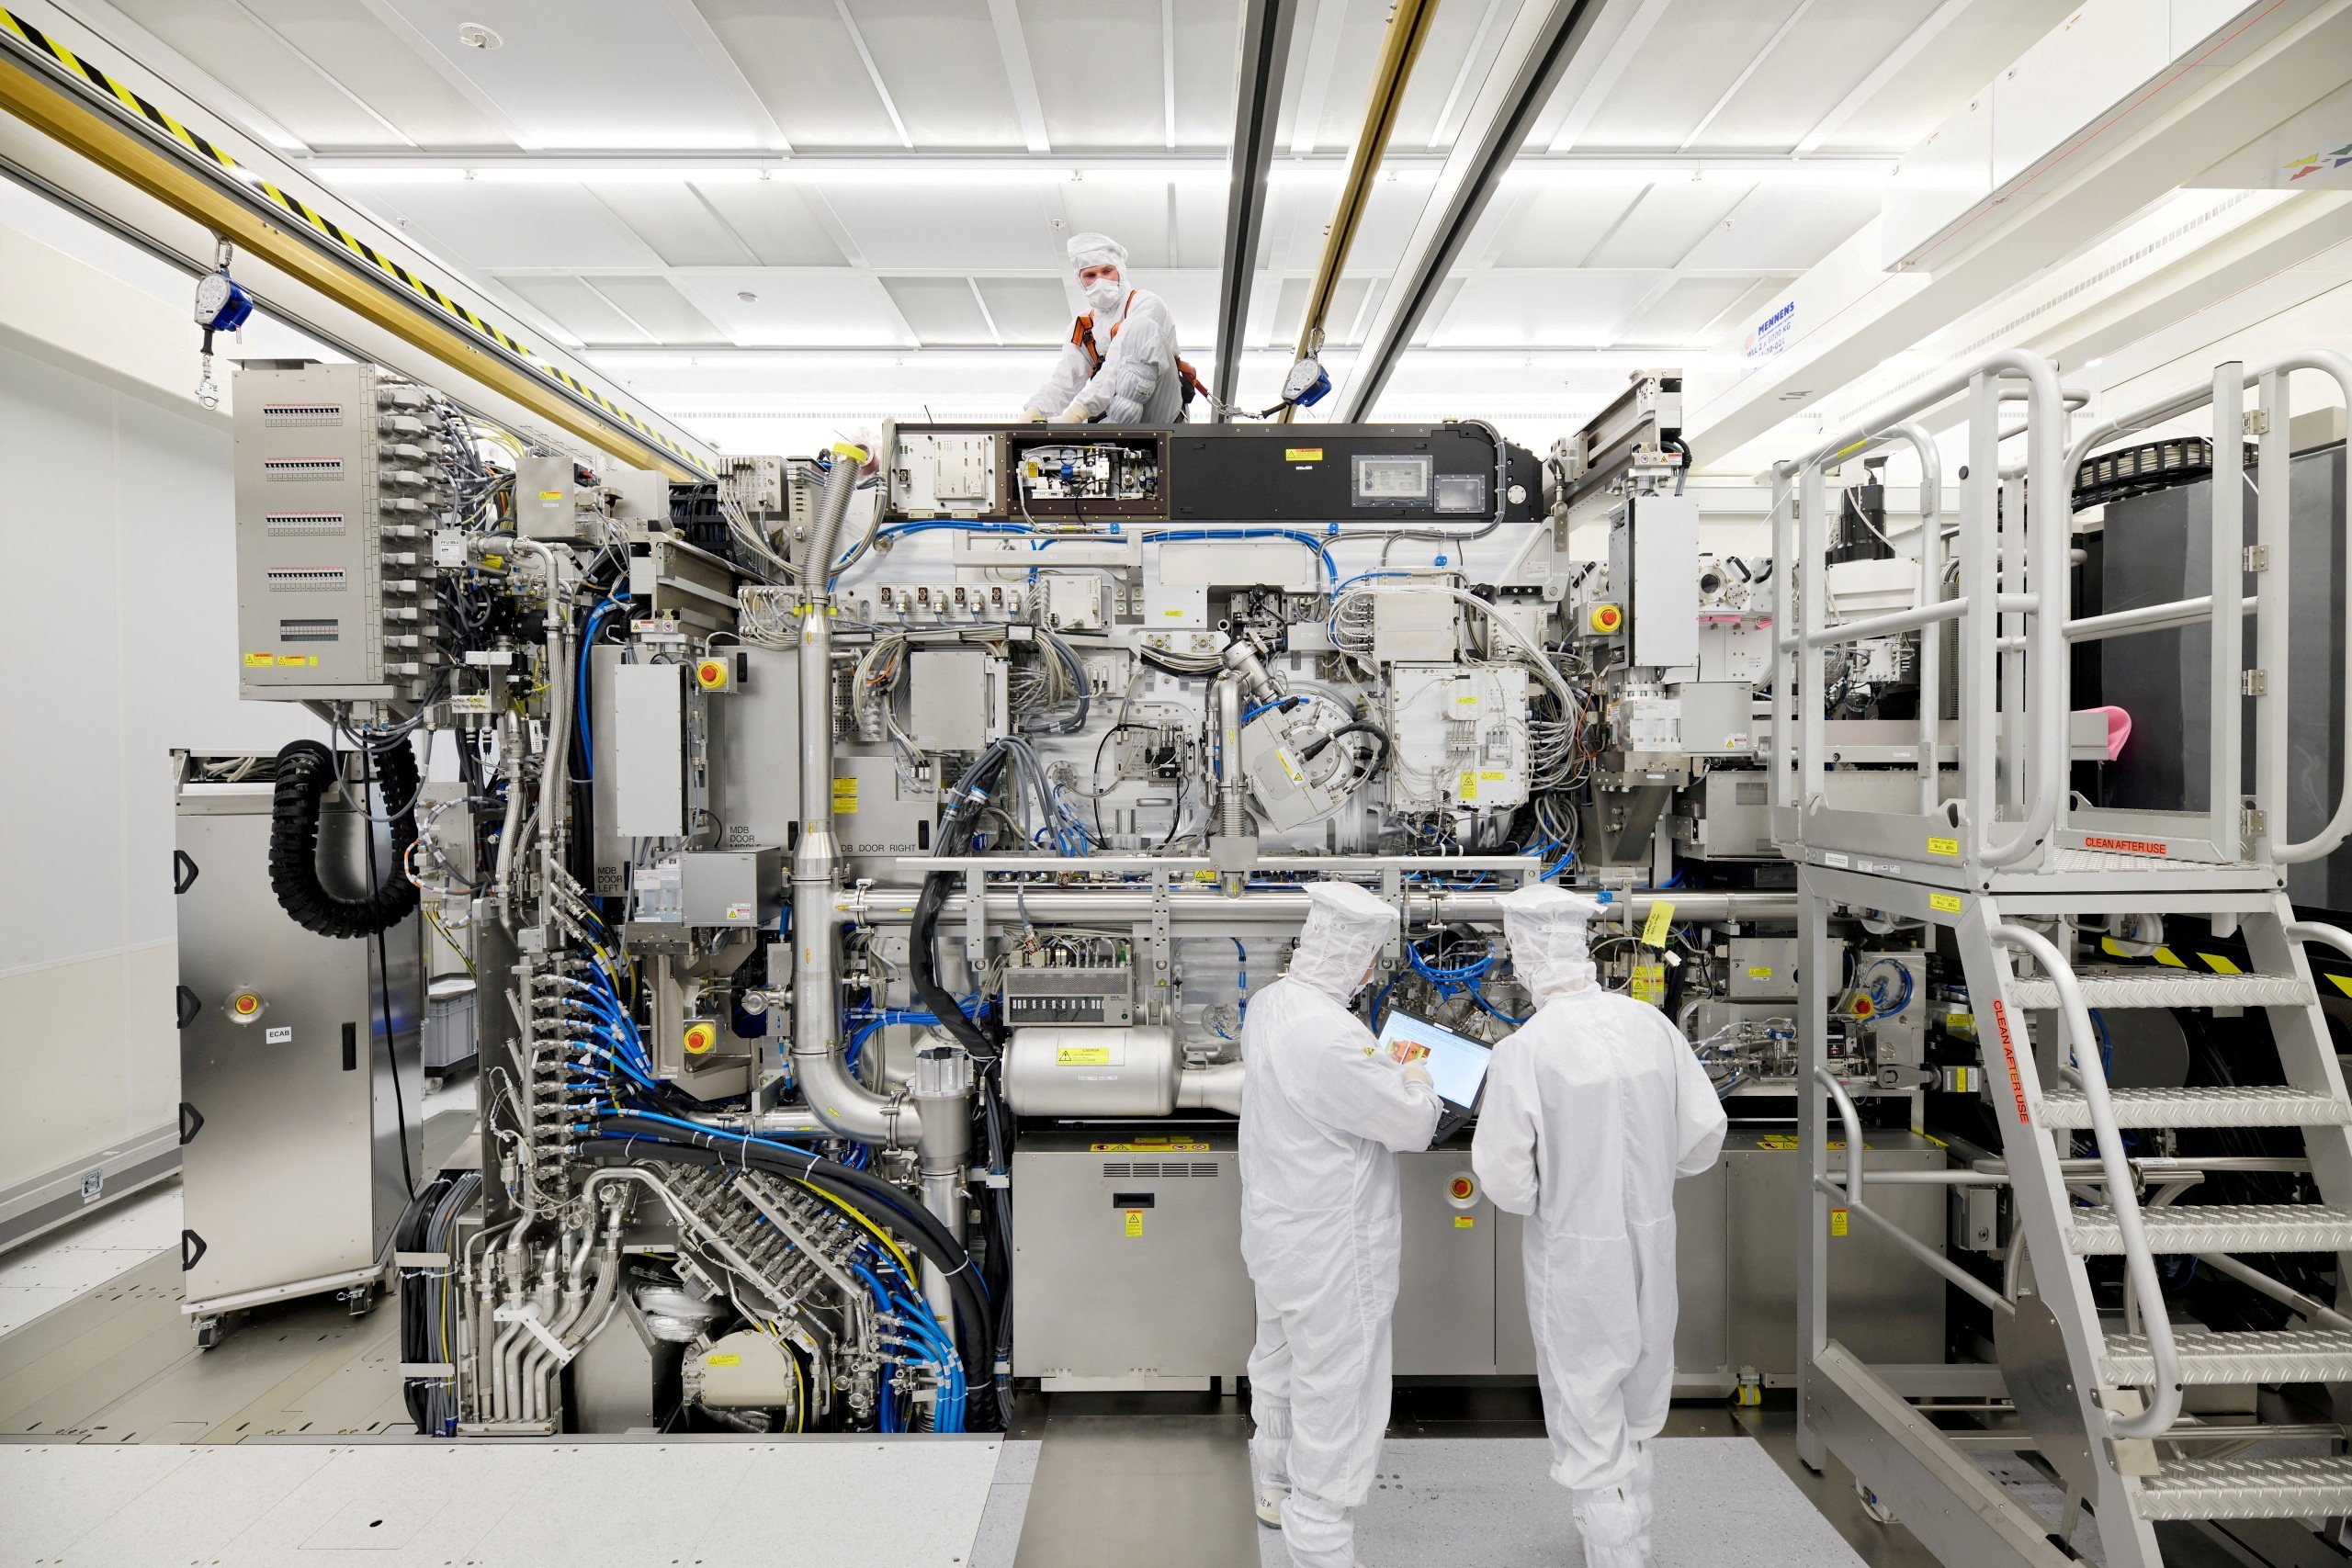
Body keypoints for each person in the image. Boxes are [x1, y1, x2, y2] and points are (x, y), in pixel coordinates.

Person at [1472, 886, 1727, 1568]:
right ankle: (1630, 1533)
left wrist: (1557, 1195)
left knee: (1586, 1406)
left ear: (1524, 953)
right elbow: (1704, 1136)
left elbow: (1502, 1178)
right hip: (1652, 1238)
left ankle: (1617, 1551)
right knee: (1639, 1394)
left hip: (1576, 1256)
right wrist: (1640, 1181)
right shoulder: (1651, 1026)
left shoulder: (1526, 1050)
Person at [1238, 879, 1441, 1568]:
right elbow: (1411, 1123)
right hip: (1333, 1246)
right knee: (1339, 1390)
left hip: (1277, 1232)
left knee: (1280, 1364)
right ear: (1354, 958)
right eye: (1368, 961)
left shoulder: (1272, 1003)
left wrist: (1380, 1065)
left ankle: (1274, 1488)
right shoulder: (1326, 1033)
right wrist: (1416, 1075)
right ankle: (1319, 1539)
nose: (1367, 974)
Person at [1020, 231, 1196, 425]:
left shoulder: (1146, 304)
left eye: (1107, 271)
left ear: (1120, 271)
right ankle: (1112, 434)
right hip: (1109, 410)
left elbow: (1115, 364)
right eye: (1090, 275)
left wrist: (1075, 414)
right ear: (1080, 280)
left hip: (1160, 408)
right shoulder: (1083, 325)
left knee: (1141, 329)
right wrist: (1035, 411)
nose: (1100, 280)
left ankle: (1118, 430)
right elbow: (1064, 381)